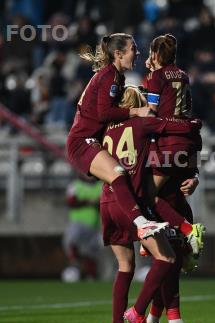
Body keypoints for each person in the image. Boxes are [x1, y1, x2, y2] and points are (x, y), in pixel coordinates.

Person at [101, 86, 201, 323]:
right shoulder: (141, 124)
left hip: (107, 203)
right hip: (132, 205)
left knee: (125, 267)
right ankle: (139, 313)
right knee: (167, 257)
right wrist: (193, 124)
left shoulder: (106, 131)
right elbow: (176, 129)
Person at [66, 33, 168, 240]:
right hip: (82, 142)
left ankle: (141, 223)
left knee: (119, 177)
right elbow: (104, 113)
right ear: (119, 54)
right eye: (133, 49)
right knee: (118, 174)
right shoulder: (110, 75)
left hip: (88, 139)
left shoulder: (112, 75)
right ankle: (141, 223)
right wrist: (136, 112)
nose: (137, 53)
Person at [61, 174, 102, 282]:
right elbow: (70, 202)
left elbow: (104, 202)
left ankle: (92, 276)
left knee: (91, 252)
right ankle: (75, 267)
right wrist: (89, 202)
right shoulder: (75, 185)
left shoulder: (101, 185)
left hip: (95, 225)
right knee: (71, 242)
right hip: (78, 223)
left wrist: (91, 202)